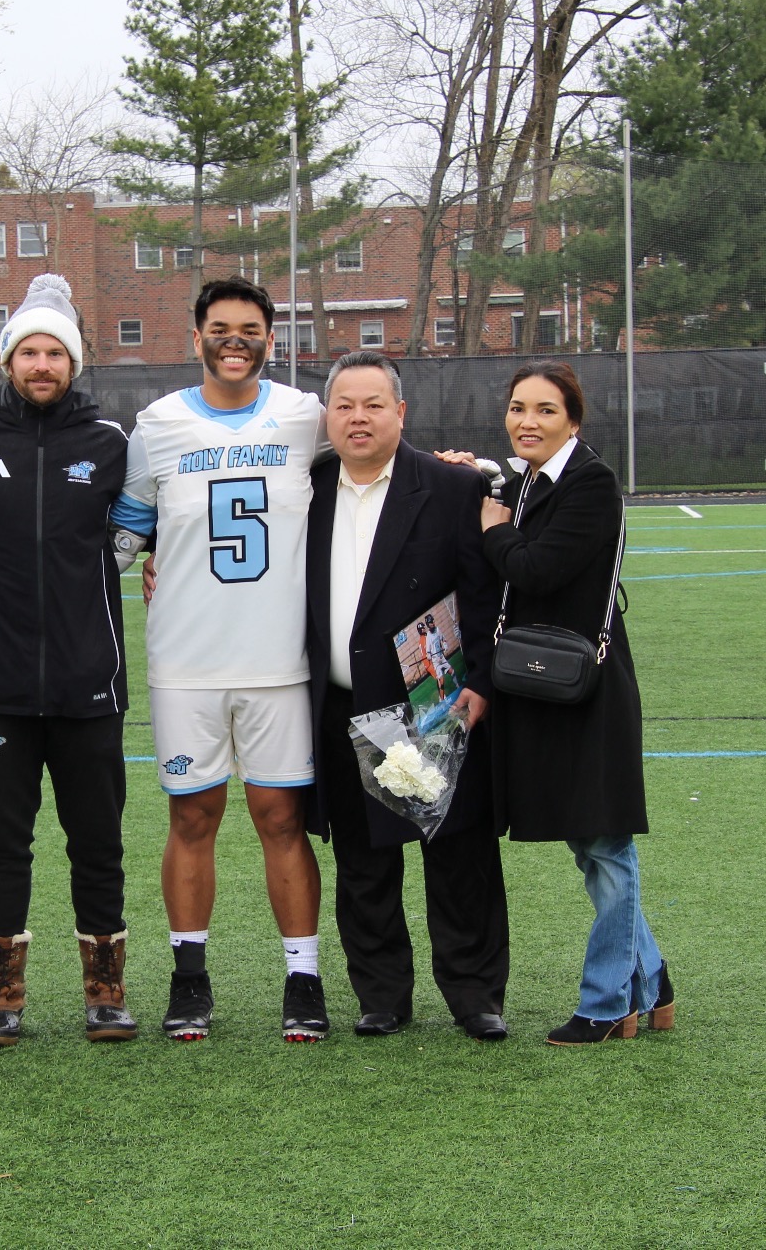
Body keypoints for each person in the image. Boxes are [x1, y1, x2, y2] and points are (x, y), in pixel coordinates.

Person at [0, 273, 137, 1047]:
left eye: (56, 352)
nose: (42, 364)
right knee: (2, 841)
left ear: (75, 363)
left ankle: (105, 991)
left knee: (97, 840)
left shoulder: (109, 446)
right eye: (29, 351)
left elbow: (147, 520)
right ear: (8, 360)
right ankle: (1, 995)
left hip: (88, 685)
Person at [110, 274, 331, 1043]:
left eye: (250, 329)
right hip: (187, 659)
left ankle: (303, 978)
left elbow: (374, 463)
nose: (234, 340)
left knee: (281, 818)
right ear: (195, 335)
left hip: (279, 661)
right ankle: (189, 976)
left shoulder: (305, 415)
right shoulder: (158, 424)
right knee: (192, 815)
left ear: (271, 340)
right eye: (220, 327)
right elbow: (124, 534)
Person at [304, 352, 511, 1040]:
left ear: (401, 411)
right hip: (341, 701)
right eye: (343, 405)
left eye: (372, 404)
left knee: (458, 856)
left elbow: (484, 596)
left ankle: (476, 994)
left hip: (432, 702)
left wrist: (480, 679)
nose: (357, 417)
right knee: (363, 861)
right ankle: (382, 995)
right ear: (327, 415)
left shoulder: (450, 487)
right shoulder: (305, 487)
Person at [476, 360, 675, 1046]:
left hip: (587, 688)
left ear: (573, 420)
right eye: (517, 408)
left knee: (606, 841)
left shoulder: (590, 482)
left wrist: (493, 529)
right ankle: (653, 979)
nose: (527, 421)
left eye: (545, 410)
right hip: (543, 685)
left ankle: (606, 1001)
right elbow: (493, 493)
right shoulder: (526, 479)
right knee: (586, 841)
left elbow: (536, 568)